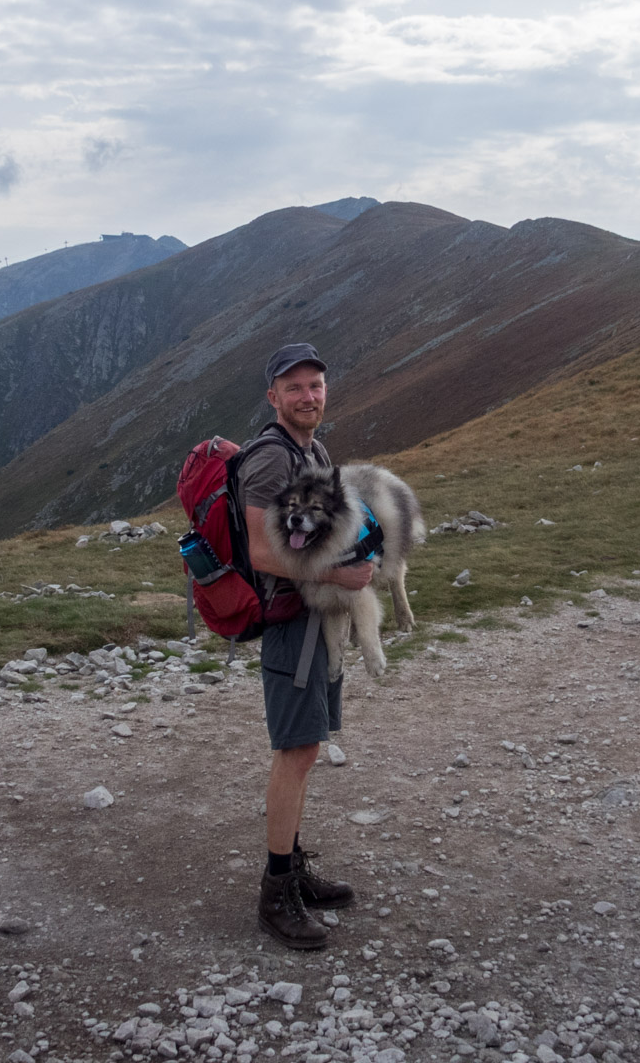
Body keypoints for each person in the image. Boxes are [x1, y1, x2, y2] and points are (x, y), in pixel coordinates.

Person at [237, 342, 373, 950]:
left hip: (319, 618)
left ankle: (293, 868)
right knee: (294, 750)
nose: (308, 396)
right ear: (273, 396)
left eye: (315, 385)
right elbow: (262, 552)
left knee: (310, 746)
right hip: (292, 617)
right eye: (294, 387)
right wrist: (335, 575)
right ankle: (276, 893)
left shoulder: (311, 449)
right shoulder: (271, 459)